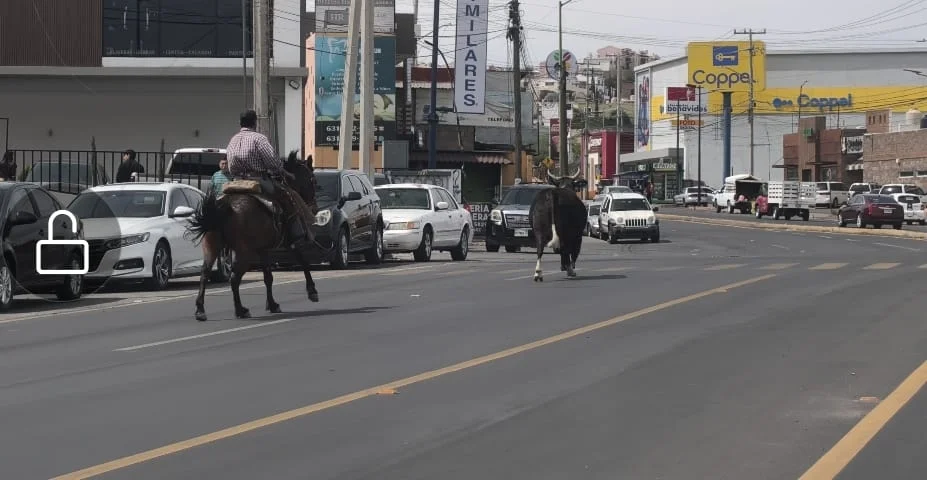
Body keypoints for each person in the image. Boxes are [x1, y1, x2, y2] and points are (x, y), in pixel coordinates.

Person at [225, 110, 314, 250]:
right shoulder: (259, 138)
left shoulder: (233, 140)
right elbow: (272, 161)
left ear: (240, 123)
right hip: (257, 179)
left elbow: (230, 165)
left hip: (236, 180)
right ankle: (296, 235)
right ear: (255, 122)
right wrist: (284, 172)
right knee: (287, 196)